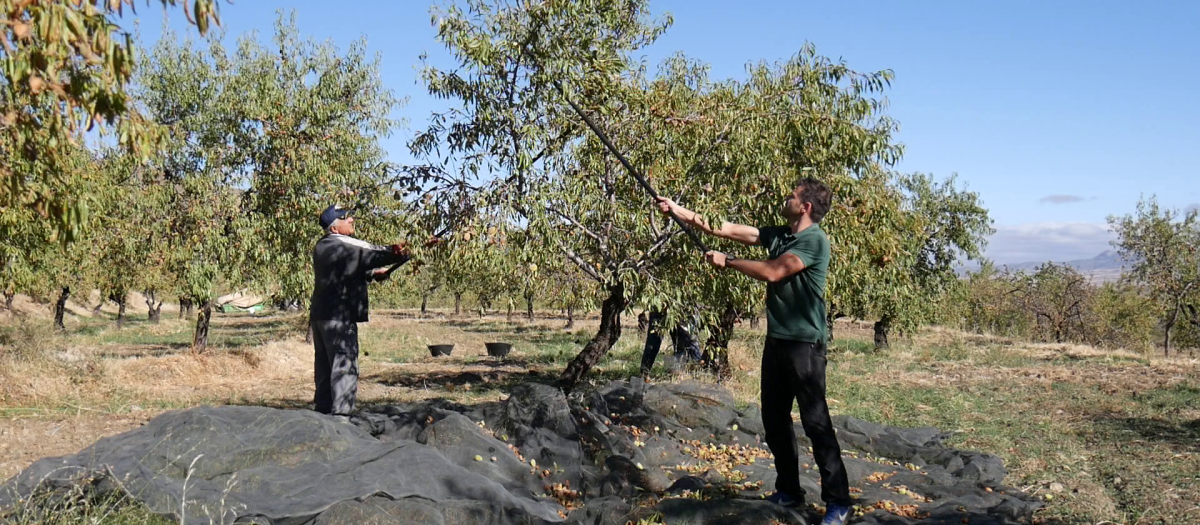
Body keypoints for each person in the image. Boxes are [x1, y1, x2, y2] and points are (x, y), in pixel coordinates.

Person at [654, 177, 853, 525]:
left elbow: (776, 271)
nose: (785, 198)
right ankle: (790, 491)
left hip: (805, 345)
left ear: (805, 206)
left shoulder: (813, 240)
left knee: (816, 422)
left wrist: (728, 262)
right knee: (774, 420)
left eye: (792, 196)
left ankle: (839, 501)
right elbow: (722, 228)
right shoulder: (780, 233)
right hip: (777, 342)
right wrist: (677, 210)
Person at [309, 204, 432, 419]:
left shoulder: (323, 245)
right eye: (346, 219)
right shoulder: (344, 243)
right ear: (335, 228)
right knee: (343, 363)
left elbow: (344, 270)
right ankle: (341, 418)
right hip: (339, 315)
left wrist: (372, 274)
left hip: (321, 314)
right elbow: (382, 252)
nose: (352, 221)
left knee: (324, 366)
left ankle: (322, 414)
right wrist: (420, 245)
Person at [639, 308, 703, 376]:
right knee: (654, 340)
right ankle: (644, 373)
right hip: (667, 306)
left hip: (681, 307)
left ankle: (687, 370)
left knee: (686, 340)